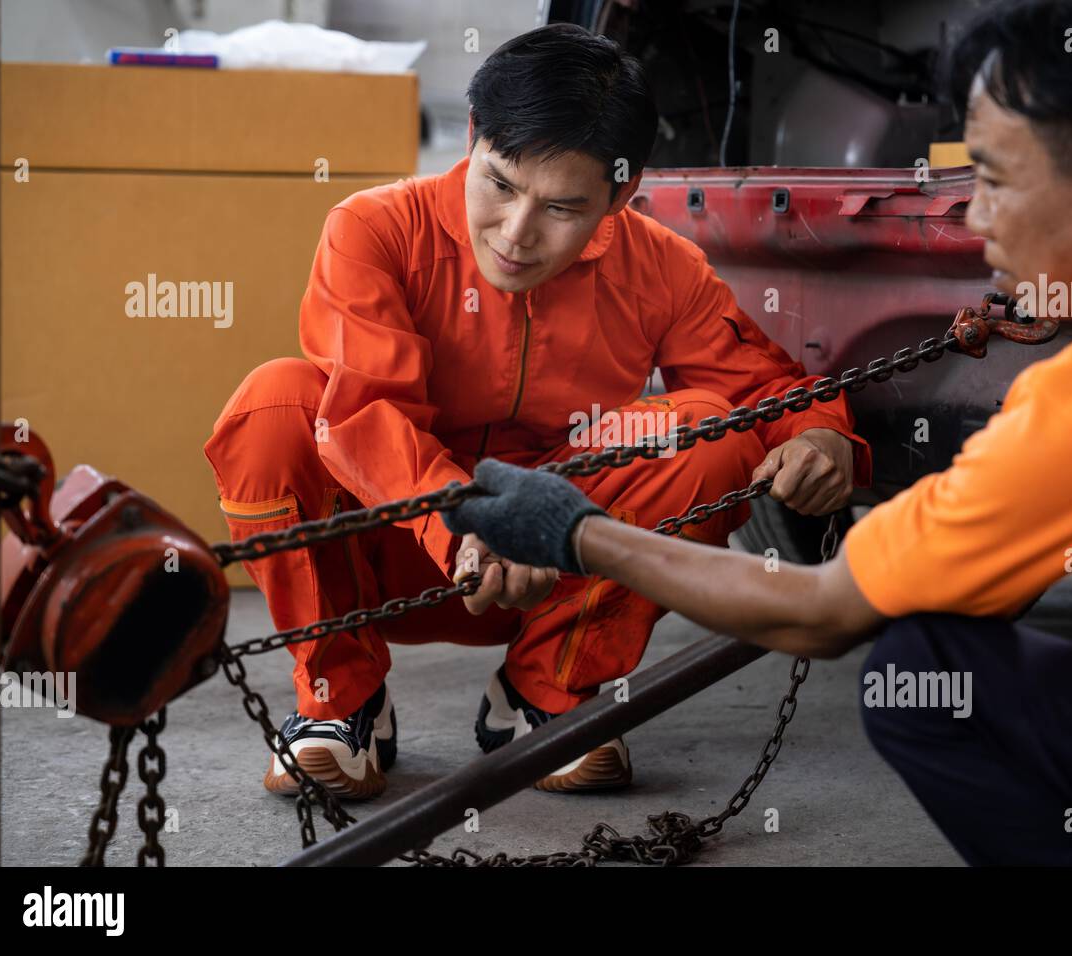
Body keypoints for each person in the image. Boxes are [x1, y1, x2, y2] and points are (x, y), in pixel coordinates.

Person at [443, 0, 1072, 865]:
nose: (976, 217)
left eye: (993, 179)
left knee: (923, 672)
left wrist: (578, 532)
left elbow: (826, 611)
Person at [203, 23, 868, 799]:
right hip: (391, 559)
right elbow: (367, 411)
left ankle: (545, 695)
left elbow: (761, 385)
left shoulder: (664, 265)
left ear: (621, 194)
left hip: (558, 566)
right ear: (475, 138)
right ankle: (341, 703)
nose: (516, 235)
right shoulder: (373, 229)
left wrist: (822, 433)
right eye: (500, 185)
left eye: (561, 206)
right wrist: (461, 527)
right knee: (275, 403)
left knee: (701, 434)